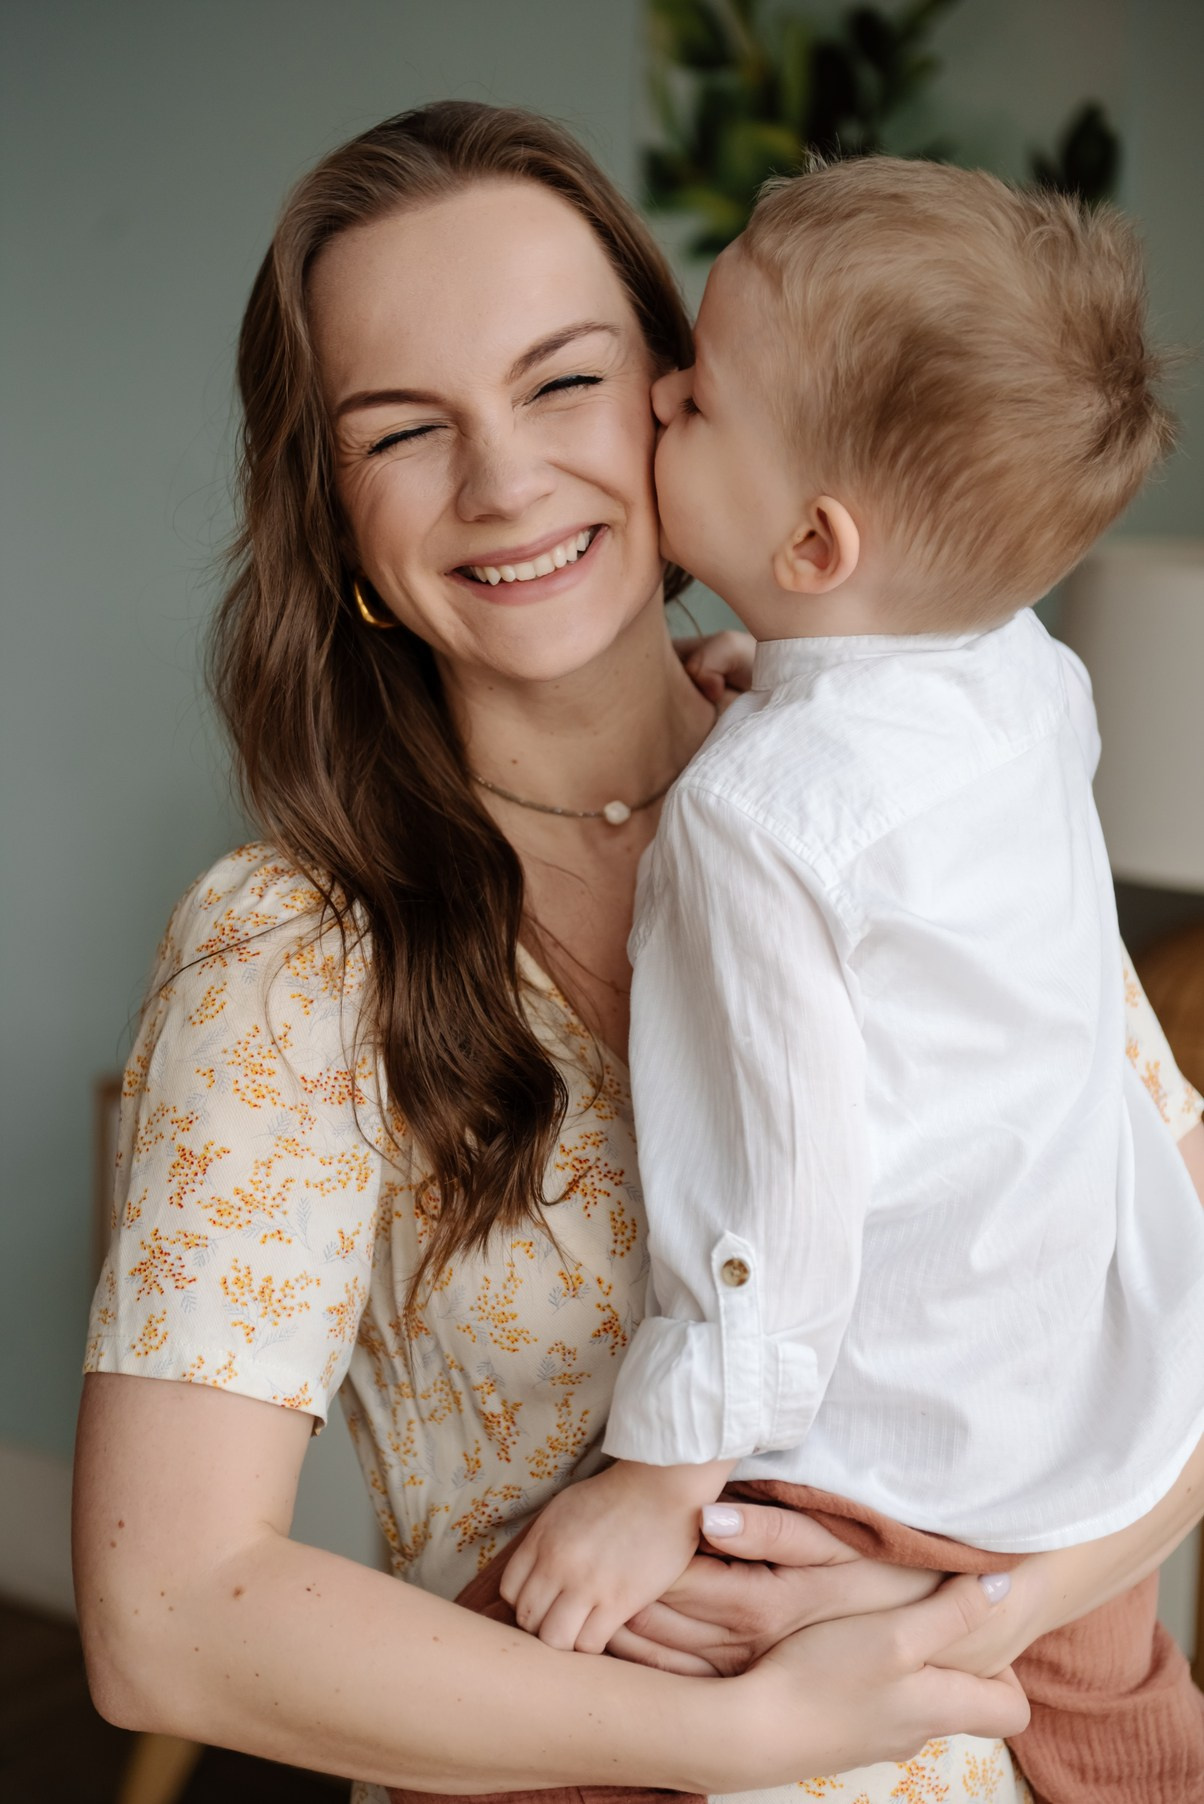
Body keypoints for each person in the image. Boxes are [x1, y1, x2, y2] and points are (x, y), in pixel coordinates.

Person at [72, 104, 1204, 1804]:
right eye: (401, 430)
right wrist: (737, 1727)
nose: (507, 477)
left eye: (564, 381)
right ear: (336, 510)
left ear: (687, 395)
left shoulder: (908, 782)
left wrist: (985, 1600)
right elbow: (167, 1611)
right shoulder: (294, 947)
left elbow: (1170, 1279)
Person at [496, 159, 1204, 1802]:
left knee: (542, 1671)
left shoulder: (748, 823)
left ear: (813, 540)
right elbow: (901, 754)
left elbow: (786, 1216)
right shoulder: (1031, 675)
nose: (660, 392)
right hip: (1103, 1412)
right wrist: (785, 677)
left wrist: (662, 1479)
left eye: (695, 397)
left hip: (910, 1455)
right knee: (1122, 1726)